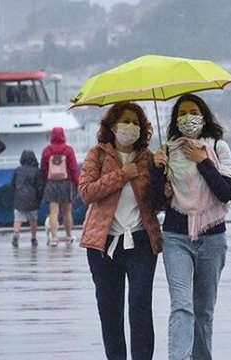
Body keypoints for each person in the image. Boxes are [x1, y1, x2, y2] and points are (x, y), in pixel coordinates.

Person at [150, 93, 231, 360]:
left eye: (193, 112)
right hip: (176, 235)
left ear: (204, 116)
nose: (189, 118)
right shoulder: (167, 151)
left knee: (204, 310)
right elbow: (156, 201)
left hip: (212, 237)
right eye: (182, 113)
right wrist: (157, 170)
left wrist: (203, 161)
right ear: (176, 120)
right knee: (181, 305)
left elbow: (225, 192)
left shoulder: (218, 148)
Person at [79, 102, 162, 360]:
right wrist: (121, 175)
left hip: (141, 242)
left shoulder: (147, 158)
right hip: (104, 245)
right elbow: (86, 192)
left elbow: (159, 204)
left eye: (137, 122)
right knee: (110, 311)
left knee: (140, 306)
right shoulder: (98, 155)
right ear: (113, 125)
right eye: (126, 121)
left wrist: (160, 172)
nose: (131, 127)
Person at [40, 127, 79, 245]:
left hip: (51, 183)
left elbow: (43, 168)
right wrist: (77, 183)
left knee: (53, 212)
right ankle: (68, 236)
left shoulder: (47, 150)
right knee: (67, 212)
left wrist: (45, 181)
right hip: (66, 183)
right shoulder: (68, 150)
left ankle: (54, 238)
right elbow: (73, 169)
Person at [11, 150, 44, 247]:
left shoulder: (17, 170)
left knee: (17, 219)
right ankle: (33, 238)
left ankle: (16, 234)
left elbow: (13, 184)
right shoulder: (36, 171)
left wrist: (14, 196)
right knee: (33, 219)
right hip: (32, 199)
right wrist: (39, 198)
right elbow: (39, 186)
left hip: (19, 198)